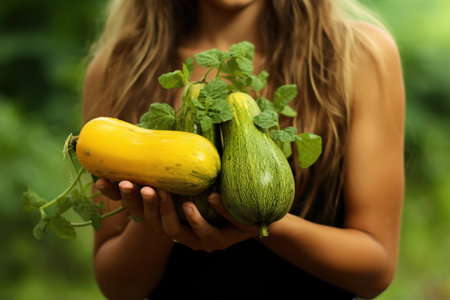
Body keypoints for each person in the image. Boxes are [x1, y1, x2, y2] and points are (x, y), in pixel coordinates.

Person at [82, 0, 405, 299]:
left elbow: (374, 271)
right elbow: (119, 287)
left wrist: (262, 224)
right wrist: (158, 214)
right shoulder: (119, 69)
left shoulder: (360, 55)